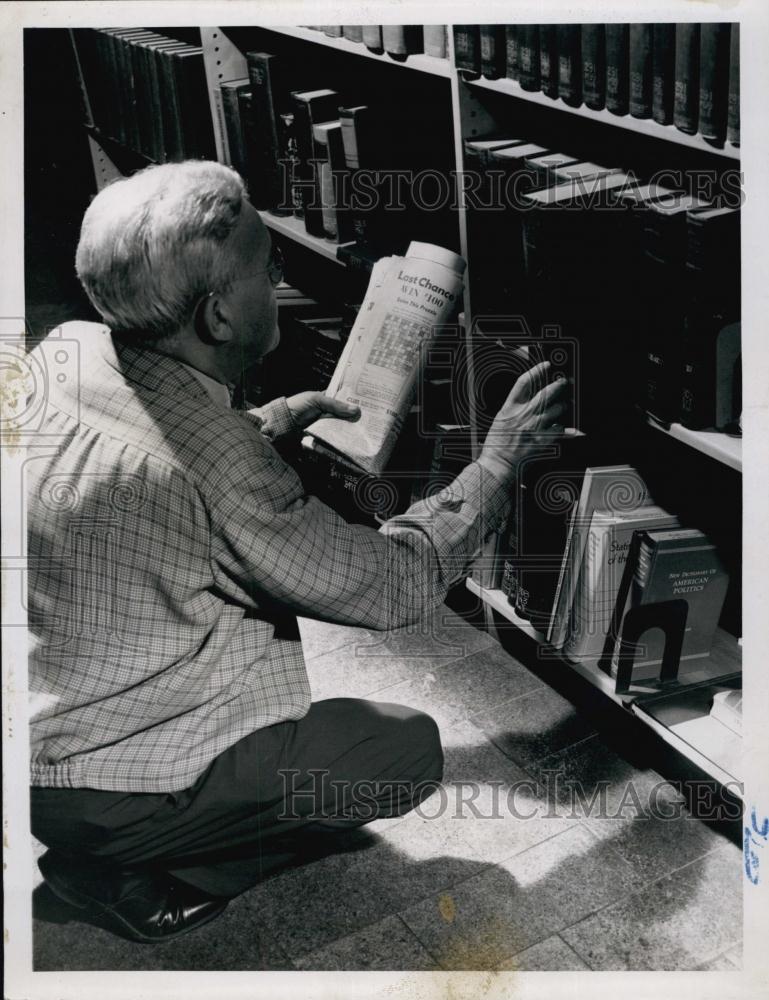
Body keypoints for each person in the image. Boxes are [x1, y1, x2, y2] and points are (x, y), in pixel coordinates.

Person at [28, 160, 566, 943]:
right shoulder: (221, 468)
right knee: (399, 750)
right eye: (267, 266)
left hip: (35, 735)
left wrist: (266, 419)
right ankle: (124, 871)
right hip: (104, 787)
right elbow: (392, 587)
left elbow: (139, 452)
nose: (278, 280)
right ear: (217, 316)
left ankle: (123, 846)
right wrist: (498, 463)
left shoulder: (66, 348)